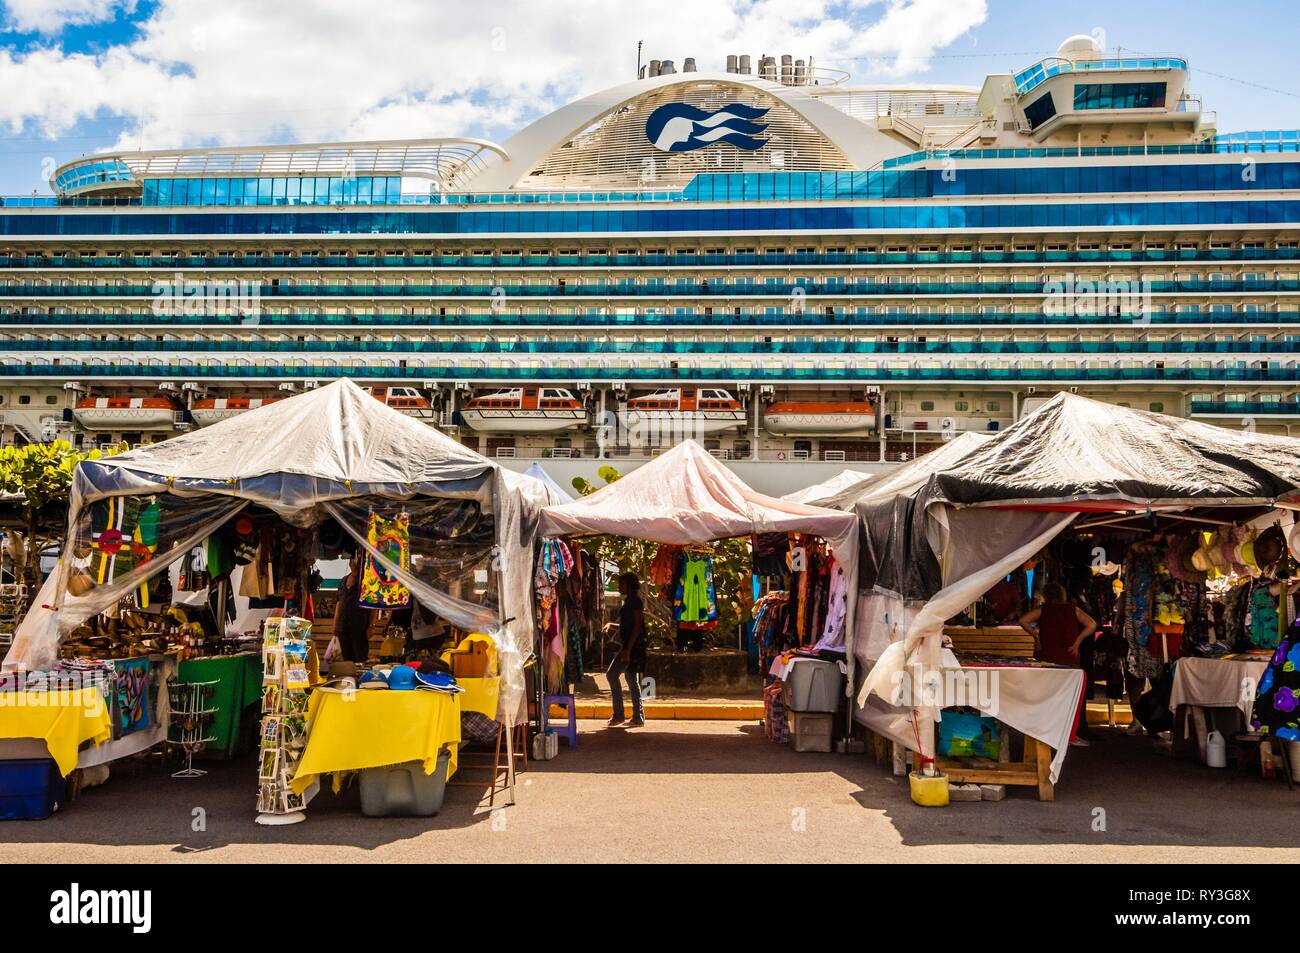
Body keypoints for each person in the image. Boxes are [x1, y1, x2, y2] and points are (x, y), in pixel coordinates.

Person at [1019, 582, 1098, 746]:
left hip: (1047, 657)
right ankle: (1069, 735)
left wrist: (1036, 636)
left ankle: (1047, 733)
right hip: (1069, 657)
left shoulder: (1043, 610)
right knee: (1068, 699)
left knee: (1047, 696)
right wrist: (1078, 642)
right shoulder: (1072, 609)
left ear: (1046, 595)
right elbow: (1092, 624)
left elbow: (1023, 620)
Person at [606, 572, 646, 728]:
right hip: (630, 646)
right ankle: (637, 716)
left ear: (628, 585)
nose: (619, 586)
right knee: (631, 680)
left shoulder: (635, 601)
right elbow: (628, 625)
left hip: (632, 647)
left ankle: (619, 714)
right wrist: (612, 625)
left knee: (612, 675)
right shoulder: (630, 601)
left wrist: (627, 650)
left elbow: (637, 627)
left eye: (621, 584)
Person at [334, 552, 371, 663]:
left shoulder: (366, 581)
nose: (355, 564)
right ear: (350, 563)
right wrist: (335, 625)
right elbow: (339, 603)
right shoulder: (344, 580)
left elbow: (373, 605)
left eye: (358, 563)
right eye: (353, 562)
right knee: (346, 659)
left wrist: (372, 625)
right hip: (343, 626)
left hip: (360, 627)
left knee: (360, 658)